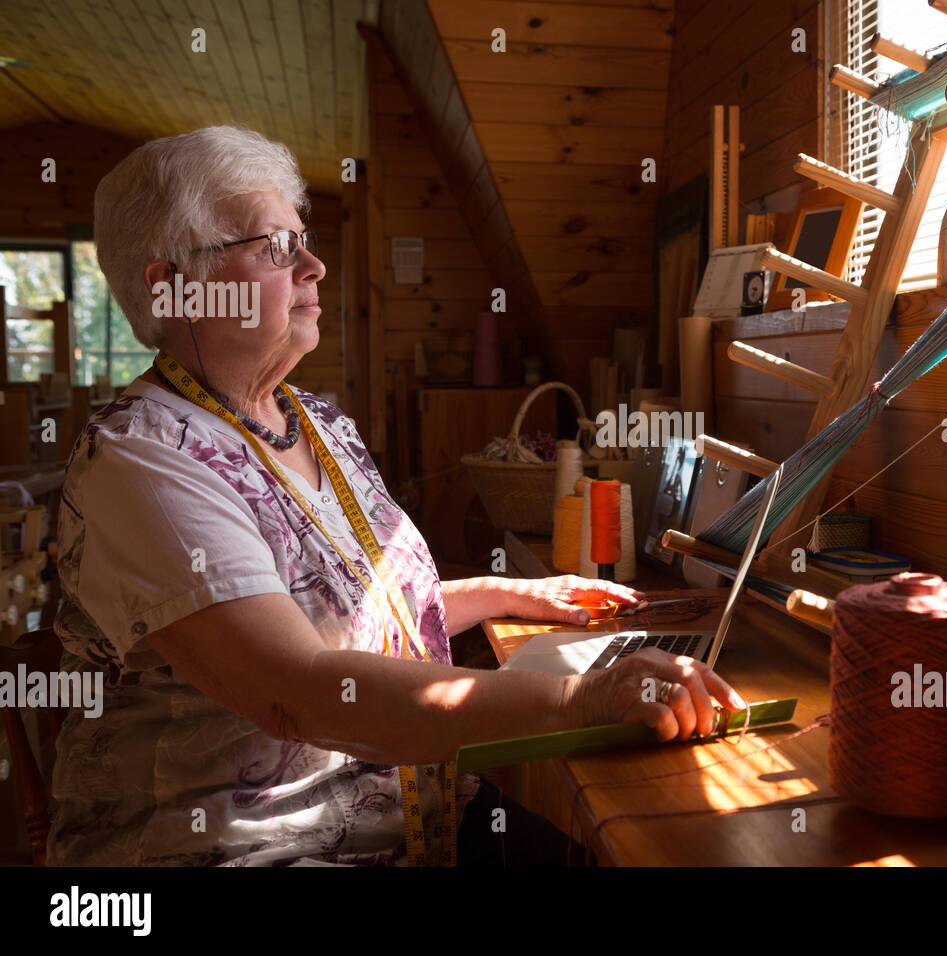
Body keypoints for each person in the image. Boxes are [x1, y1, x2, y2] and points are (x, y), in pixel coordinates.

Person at [47, 126, 745, 866]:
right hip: (251, 850)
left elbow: (342, 606)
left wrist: (506, 593)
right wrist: (585, 698)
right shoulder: (143, 460)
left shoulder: (313, 423)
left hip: (409, 813)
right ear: (172, 284)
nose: (314, 265)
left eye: (303, 239)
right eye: (275, 247)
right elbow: (303, 691)